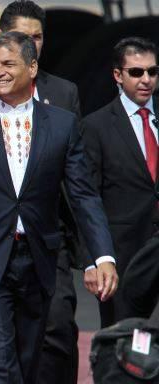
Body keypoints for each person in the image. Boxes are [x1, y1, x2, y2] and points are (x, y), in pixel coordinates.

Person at [0, 31, 118, 384]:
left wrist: (103, 256)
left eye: (8, 64)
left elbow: (83, 196)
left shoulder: (61, 124)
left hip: (38, 261)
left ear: (32, 68)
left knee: (29, 361)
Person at [0, 2, 84, 383]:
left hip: (41, 250)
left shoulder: (64, 99)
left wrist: (92, 253)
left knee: (38, 349)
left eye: (37, 38)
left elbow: (79, 188)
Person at [81, 37, 159, 327]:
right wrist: (94, 259)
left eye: (152, 71)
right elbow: (87, 198)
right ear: (118, 75)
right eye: (136, 72)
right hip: (124, 255)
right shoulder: (96, 127)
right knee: (122, 341)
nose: (146, 79)